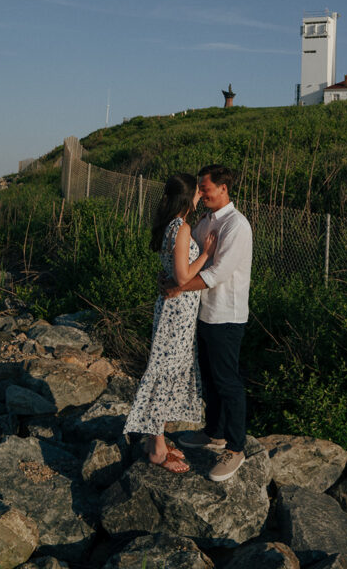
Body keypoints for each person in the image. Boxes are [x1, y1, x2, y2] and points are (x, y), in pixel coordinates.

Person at [159, 164, 252, 483]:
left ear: (223, 189)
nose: (201, 193)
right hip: (203, 312)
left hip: (226, 314)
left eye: (205, 188)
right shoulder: (205, 220)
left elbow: (216, 274)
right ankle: (215, 432)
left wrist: (178, 285)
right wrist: (172, 277)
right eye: (198, 188)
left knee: (228, 381)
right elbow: (187, 260)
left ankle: (236, 448)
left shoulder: (237, 226)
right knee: (210, 378)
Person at [123, 172, 217, 472]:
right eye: (197, 194)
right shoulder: (182, 228)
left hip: (176, 310)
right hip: (177, 313)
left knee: (167, 371)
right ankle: (157, 447)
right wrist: (206, 254)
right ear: (187, 198)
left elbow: (171, 273)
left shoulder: (171, 224)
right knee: (164, 373)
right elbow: (182, 277)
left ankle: (155, 439)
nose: (200, 197)